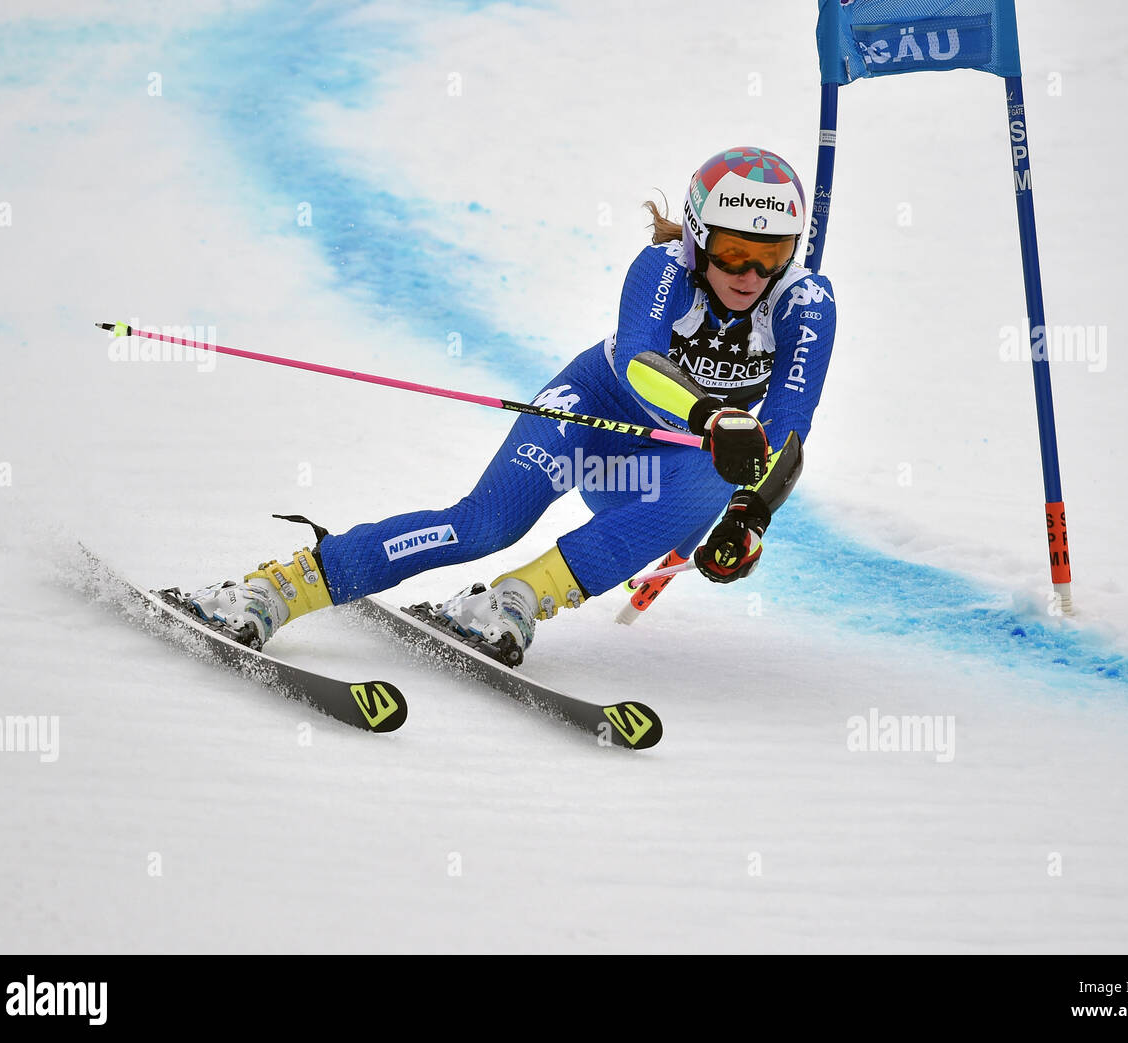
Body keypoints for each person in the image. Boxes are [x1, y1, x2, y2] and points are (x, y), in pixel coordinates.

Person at [184, 146, 837, 662]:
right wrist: (713, 416)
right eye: (733, 252)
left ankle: (514, 600)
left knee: (708, 481)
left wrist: (751, 515)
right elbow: (639, 361)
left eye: (771, 255)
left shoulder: (808, 302)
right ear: (697, 238)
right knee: (484, 525)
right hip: (597, 410)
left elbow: (790, 420)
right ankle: (273, 589)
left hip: (665, 467)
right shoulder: (661, 267)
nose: (750, 275)